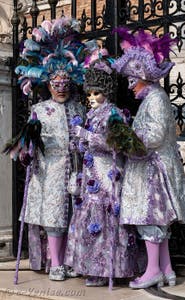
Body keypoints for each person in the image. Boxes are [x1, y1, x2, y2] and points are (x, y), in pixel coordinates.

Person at [112, 28, 185, 289]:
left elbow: (156, 134)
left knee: (151, 220)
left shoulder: (156, 99)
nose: (129, 85)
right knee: (158, 223)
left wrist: (129, 139)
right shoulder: (152, 99)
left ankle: (152, 271)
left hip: (153, 171)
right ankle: (166, 269)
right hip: (154, 167)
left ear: (143, 78)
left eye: (132, 79)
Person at [3, 17, 86, 281]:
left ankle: (71, 260)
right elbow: (25, 144)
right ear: (47, 84)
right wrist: (26, 150)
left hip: (76, 168)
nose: (61, 88)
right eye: (56, 84)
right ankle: (56, 263)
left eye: (65, 84)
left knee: (75, 215)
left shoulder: (79, 108)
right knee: (54, 217)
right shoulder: (39, 110)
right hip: (49, 170)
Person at [64, 45, 141, 288]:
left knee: (106, 219)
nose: (91, 98)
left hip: (107, 175)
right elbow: (85, 144)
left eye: (96, 93)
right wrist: (77, 141)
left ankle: (110, 268)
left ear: (105, 92)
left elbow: (117, 145)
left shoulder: (114, 114)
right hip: (90, 176)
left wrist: (87, 137)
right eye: (89, 94)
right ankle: (90, 268)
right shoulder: (90, 115)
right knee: (88, 220)